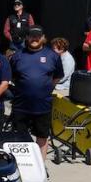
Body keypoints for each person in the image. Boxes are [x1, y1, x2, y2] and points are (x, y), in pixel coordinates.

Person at [10, 27, 64, 161]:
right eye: (31, 36)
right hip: (21, 105)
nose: (34, 39)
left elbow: (57, 77)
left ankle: (40, 168)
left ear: (43, 38)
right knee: (19, 138)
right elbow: (12, 77)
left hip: (42, 106)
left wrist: (45, 89)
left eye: (37, 36)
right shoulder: (17, 55)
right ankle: (21, 167)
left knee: (42, 137)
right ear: (27, 38)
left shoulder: (53, 56)